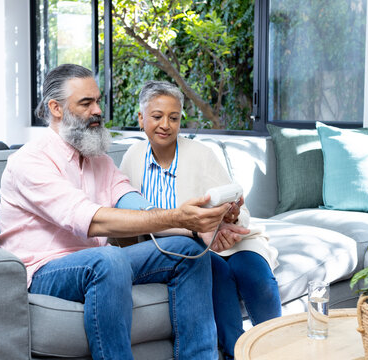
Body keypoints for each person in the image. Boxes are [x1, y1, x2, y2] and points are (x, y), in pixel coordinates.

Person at [0, 64, 234, 360]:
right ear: (56, 108)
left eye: (97, 101)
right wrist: (177, 217)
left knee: (187, 250)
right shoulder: (29, 162)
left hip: (99, 263)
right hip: (46, 270)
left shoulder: (98, 159)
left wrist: (200, 222)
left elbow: (134, 203)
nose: (97, 110)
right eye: (86, 103)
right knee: (108, 258)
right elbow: (93, 221)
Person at [119, 80, 282, 359]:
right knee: (216, 272)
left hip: (229, 239)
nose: (165, 125)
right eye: (157, 117)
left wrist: (231, 214)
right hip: (188, 247)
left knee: (256, 274)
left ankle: (278, 348)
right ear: (141, 118)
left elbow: (238, 210)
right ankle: (235, 352)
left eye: (174, 117)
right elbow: (130, 218)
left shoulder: (201, 154)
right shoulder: (132, 157)